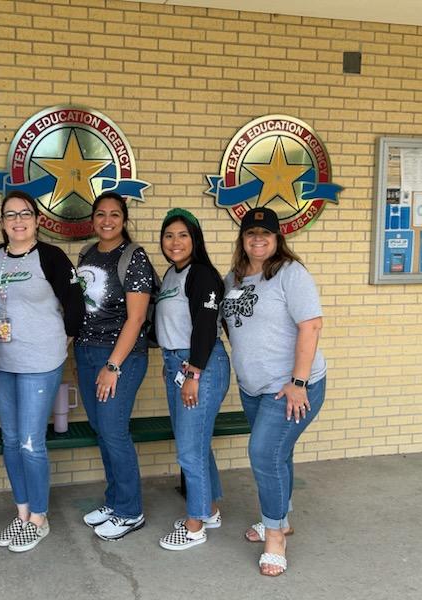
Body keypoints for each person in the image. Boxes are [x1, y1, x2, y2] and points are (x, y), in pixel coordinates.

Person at [221, 207, 326, 577]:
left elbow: (311, 326)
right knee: (278, 454)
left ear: (277, 238)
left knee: (264, 454)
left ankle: (276, 536)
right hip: (253, 387)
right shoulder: (233, 278)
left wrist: (298, 383)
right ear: (243, 238)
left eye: (265, 233)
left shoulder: (290, 273)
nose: (258, 240)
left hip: (291, 386)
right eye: (251, 233)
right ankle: (282, 517)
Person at [0, 191, 85, 552]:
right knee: (10, 440)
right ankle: (22, 512)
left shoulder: (51, 257)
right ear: (2, 222)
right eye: (10, 215)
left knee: (30, 442)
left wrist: (62, 341)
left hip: (40, 363)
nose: (18, 221)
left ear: (37, 220)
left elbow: (75, 303)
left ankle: (39, 518)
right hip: (1, 362)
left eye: (25, 213)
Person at [75, 191, 154, 541]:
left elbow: (136, 319)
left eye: (114, 215)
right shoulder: (86, 253)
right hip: (86, 352)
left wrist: (113, 365)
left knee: (113, 430)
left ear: (124, 220)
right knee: (101, 429)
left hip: (120, 356)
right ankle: (114, 501)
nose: (107, 221)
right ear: (92, 219)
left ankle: (130, 511)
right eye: (100, 214)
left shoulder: (133, 256)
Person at [155, 208, 230, 551]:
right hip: (178, 364)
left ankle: (195, 526)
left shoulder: (201, 274)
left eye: (183, 235)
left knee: (189, 450)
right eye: (169, 235)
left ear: (195, 239)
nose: (175, 242)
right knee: (196, 444)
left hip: (200, 365)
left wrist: (193, 374)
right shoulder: (173, 273)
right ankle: (209, 509)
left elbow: (204, 327)